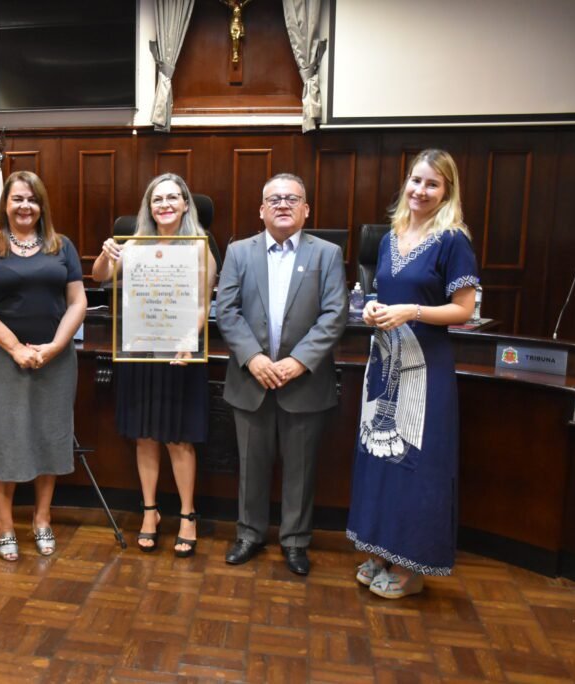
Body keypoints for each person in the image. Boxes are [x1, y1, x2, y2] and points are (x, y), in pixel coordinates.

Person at [346, 149, 478, 599]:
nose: (421, 191)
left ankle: (411, 564)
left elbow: (464, 309)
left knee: (416, 462)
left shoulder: (453, 240)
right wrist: (371, 307)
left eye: (432, 184)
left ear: (447, 192)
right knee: (381, 458)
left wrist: (413, 311)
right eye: (416, 181)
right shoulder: (389, 236)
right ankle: (382, 548)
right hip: (383, 361)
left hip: (428, 369)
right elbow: (383, 292)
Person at [215, 172, 348, 576]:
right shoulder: (239, 252)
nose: (283, 204)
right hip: (250, 379)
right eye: (274, 199)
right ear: (261, 209)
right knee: (251, 464)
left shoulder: (326, 253)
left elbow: (334, 313)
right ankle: (249, 534)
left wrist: (300, 361)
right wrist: (253, 358)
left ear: (306, 210)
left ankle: (295, 541)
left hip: (304, 381)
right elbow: (227, 309)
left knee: (301, 468)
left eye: (292, 198)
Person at [91, 173, 219, 557]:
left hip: (179, 354)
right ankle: (150, 512)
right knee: (145, 436)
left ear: (185, 205)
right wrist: (105, 255)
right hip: (140, 351)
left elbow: (203, 304)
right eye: (156, 199)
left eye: (172, 198)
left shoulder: (200, 246)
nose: (164, 204)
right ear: (149, 206)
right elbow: (100, 278)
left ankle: (187, 515)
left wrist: (187, 339)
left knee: (178, 439)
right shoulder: (135, 244)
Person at [0, 170, 87, 562]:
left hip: (55, 359)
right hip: (2, 359)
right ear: (5, 204)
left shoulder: (61, 245)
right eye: (17, 199)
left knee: (51, 434)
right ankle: (3, 524)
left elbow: (78, 302)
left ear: (42, 205)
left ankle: (42, 518)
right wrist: (15, 347)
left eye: (32, 199)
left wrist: (55, 346)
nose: (25, 206)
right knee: (6, 438)